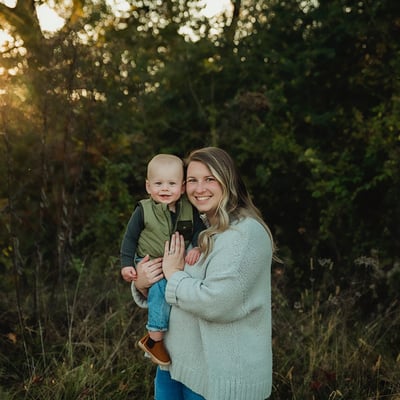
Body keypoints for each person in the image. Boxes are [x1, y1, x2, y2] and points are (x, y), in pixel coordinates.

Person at [131, 147, 275, 400]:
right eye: (192, 180)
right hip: (174, 366)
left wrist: (174, 274)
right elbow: (169, 284)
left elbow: (217, 302)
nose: (199, 188)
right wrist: (143, 282)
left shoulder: (245, 233)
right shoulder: (195, 228)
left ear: (228, 181)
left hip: (218, 378)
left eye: (210, 179)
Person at [120, 154, 205, 366]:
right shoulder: (143, 210)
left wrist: (198, 246)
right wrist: (127, 265)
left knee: (169, 289)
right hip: (150, 260)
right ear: (148, 187)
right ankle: (154, 337)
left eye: (171, 183)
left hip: (175, 262)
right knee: (159, 287)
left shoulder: (189, 208)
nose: (165, 189)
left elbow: (199, 231)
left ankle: (162, 336)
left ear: (183, 187)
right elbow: (129, 239)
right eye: (158, 184)